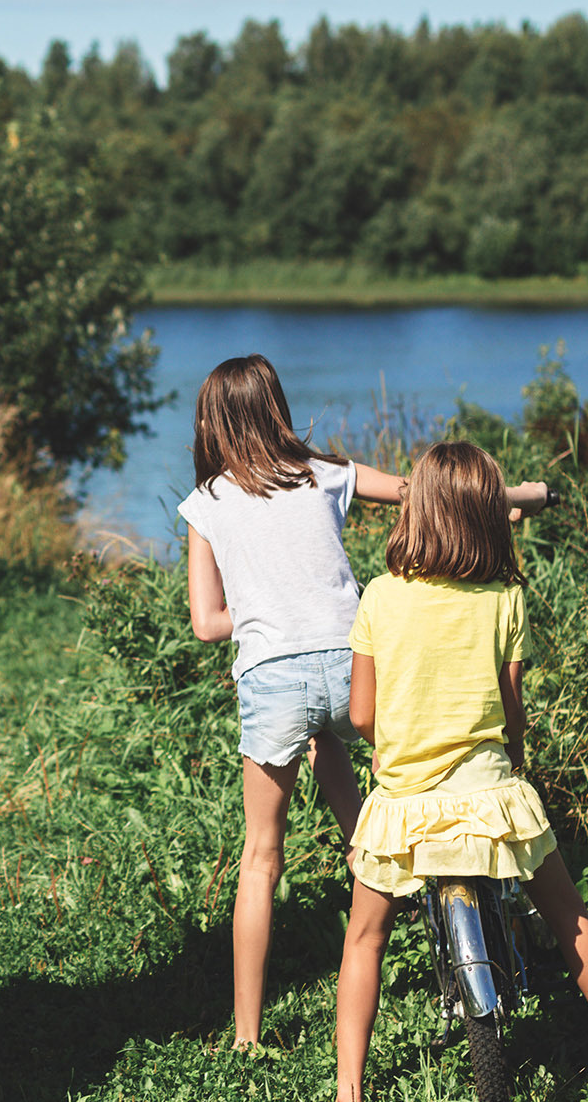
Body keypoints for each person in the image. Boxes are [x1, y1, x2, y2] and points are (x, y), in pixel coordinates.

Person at [181, 356, 558, 1050]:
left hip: (275, 678)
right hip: (349, 661)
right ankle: (447, 932)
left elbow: (206, 621)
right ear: (277, 409)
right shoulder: (323, 473)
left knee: (262, 855)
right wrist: (522, 495)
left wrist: (265, 609)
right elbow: (431, 490)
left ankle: (245, 1036)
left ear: (210, 422)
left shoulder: (206, 502)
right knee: (372, 783)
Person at [327, 440, 588, 1102]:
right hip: (490, 795)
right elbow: (511, 712)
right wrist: (515, 761)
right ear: (488, 517)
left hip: (406, 801)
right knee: (569, 916)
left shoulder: (381, 597)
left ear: (414, 512)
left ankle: (348, 1093)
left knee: (365, 939)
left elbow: (360, 713)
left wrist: (386, 749)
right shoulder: (505, 599)